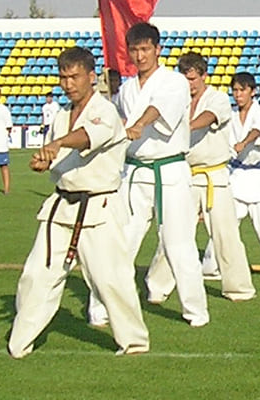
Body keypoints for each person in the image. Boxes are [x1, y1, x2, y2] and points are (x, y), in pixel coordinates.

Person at [7, 46, 148, 358]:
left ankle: (134, 341)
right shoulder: (60, 117)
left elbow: (86, 137)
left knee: (111, 279)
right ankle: (20, 342)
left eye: (75, 77)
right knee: (37, 274)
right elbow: (59, 158)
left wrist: (57, 143)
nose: (68, 84)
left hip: (99, 206)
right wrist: (44, 161)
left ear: (91, 77)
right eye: (63, 77)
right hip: (61, 205)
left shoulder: (106, 111)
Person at [108, 23, 209, 325]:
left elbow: (157, 108)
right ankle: (103, 306)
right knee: (121, 241)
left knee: (178, 244)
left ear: (157, 49)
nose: (140, 56)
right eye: (134, 50)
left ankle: (196, 310)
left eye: (145, 49)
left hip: (169, 170)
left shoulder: (175, 82)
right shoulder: (126, 89)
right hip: (135, 172)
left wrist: (138, 123)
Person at [159, 51, 256, 302]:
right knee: (172, 232)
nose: (189, 84)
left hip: (214, 175)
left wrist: (186, 126)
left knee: (225, 235)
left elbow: (209, 117)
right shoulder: (176, 101)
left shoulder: (218, 98)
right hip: (185, 174)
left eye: (193, 78)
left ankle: (239, 288)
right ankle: (158, 285)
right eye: (185, 78)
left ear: (204, 76)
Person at [198, 73, 260, 281]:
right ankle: (211, 267)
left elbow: (257, 131)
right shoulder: (230, 115)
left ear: (252, 91)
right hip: (237, 175)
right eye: (235, 90)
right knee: (225, 224)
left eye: (242, 90)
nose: (238, 94)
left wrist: (243, 142)